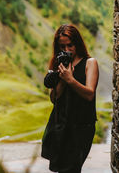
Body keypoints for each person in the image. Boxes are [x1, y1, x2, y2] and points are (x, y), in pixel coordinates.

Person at [41, 24, 99, 173]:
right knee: (61, 168)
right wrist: (61, 79)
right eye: (62, 47)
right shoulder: (58, 64)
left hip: (81, 126)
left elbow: (89, 94)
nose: (67, 50)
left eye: (70, 45)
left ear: (77, 43)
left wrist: (70, 80)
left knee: (71, 168)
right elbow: (54, 98)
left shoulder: (90, 63)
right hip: (61, 124)